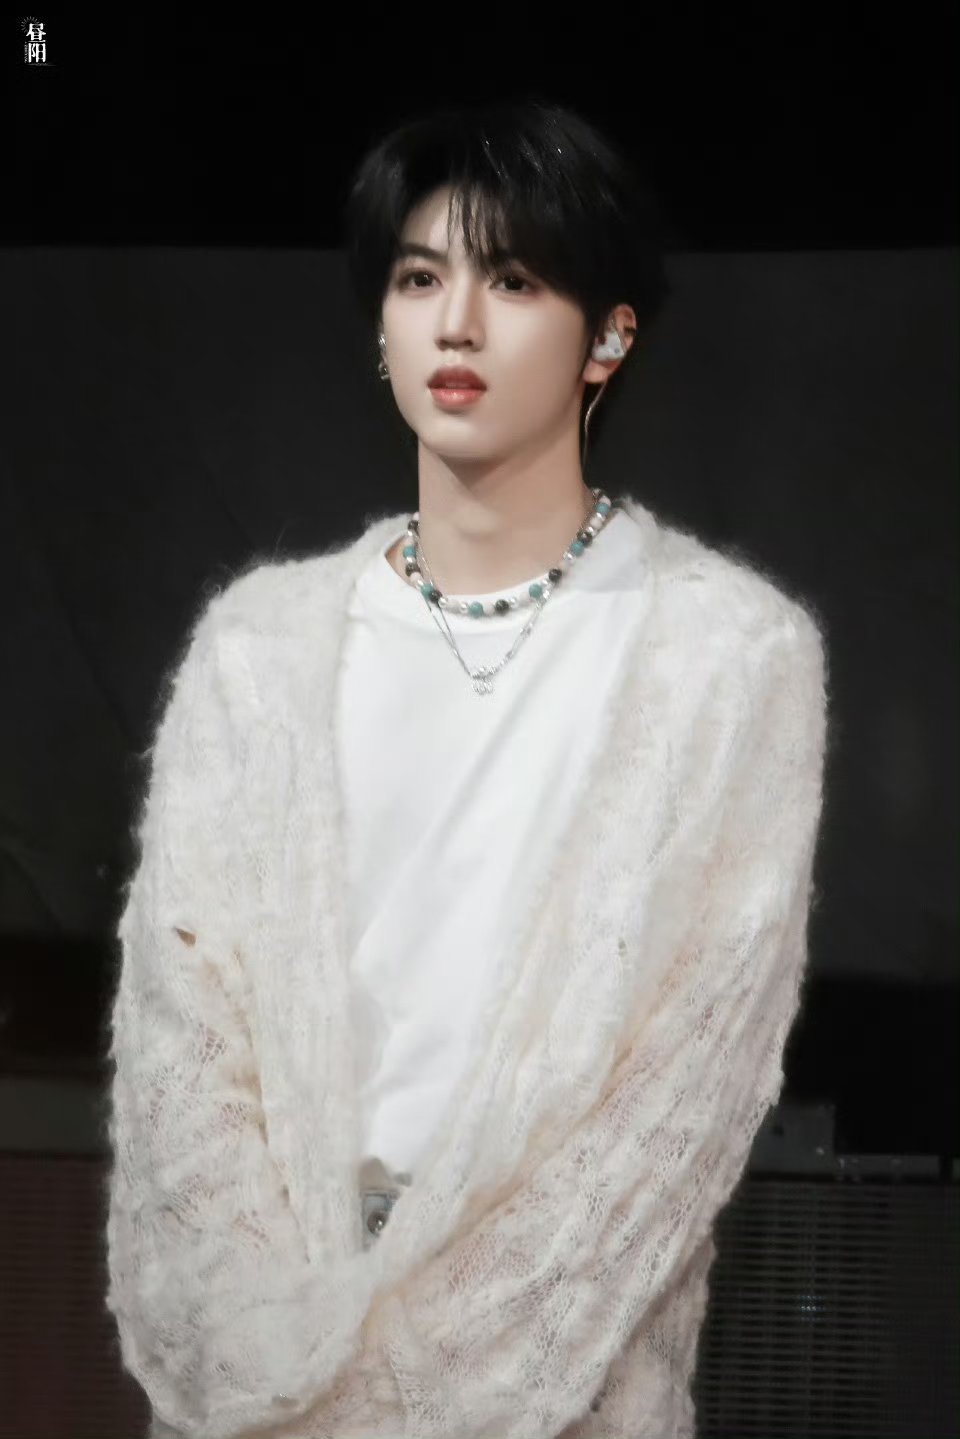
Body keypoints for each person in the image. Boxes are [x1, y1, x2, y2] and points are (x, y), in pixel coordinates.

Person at [104, 97, 830, 1439]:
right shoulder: (258, 649)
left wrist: (391, 1393)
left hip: (562, 1385)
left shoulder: (730, 661)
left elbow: (673, 1109)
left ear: (609, 335)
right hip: (263, 1390)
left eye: (513, 281)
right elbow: (181, 1054)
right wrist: (273, 1355)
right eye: (419, 278)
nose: (456, 323)